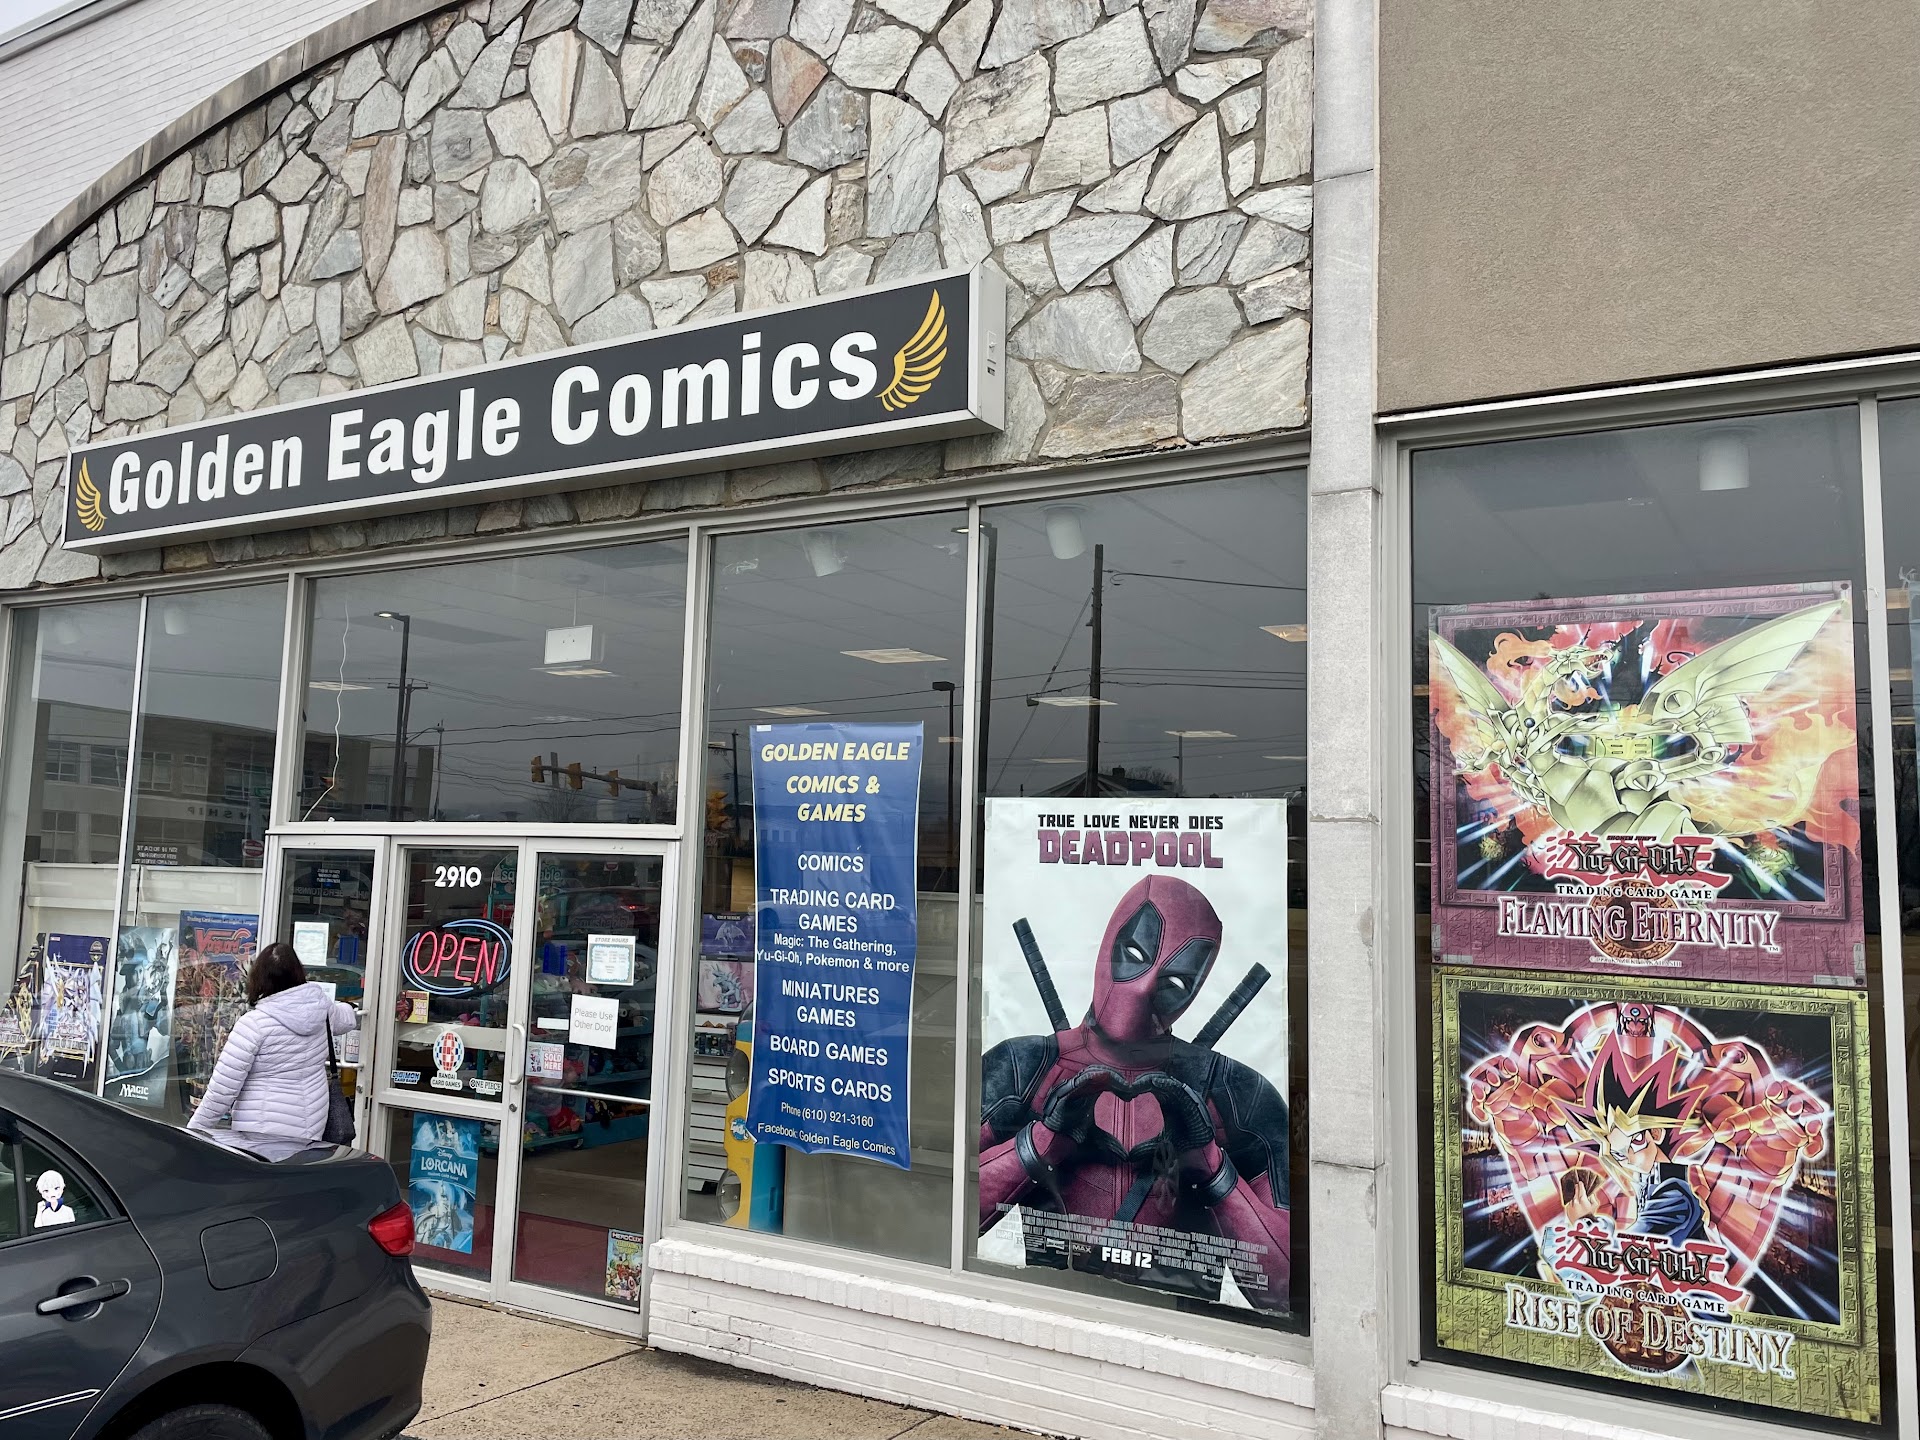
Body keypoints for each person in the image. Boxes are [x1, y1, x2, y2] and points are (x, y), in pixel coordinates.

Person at [187, 943, 356, 1161]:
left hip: (260, 1133)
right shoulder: (324, 1012)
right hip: (310, 1124)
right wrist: (350, 1006)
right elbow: (348, 1019)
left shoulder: (253, 1024)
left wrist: (192, 1133)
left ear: (260, 977)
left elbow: (222, 1090)